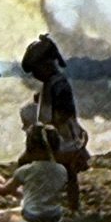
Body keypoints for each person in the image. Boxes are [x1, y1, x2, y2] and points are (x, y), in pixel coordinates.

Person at [16, 34, 89, 212]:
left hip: (62, 138)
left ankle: (37, 201)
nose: (35, 75)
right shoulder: (52, 83)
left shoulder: (59, 85)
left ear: (47, 64)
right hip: (57, 135)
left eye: (36, 70)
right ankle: (72, 206)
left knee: (27, 163)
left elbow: (65, 113)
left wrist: (45, 123)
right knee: (68, 173)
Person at [0, 124, 68, 222]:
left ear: (31, 149)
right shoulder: (62, 170)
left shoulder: (26, 171)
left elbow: (2, 191)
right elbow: (38, 193)